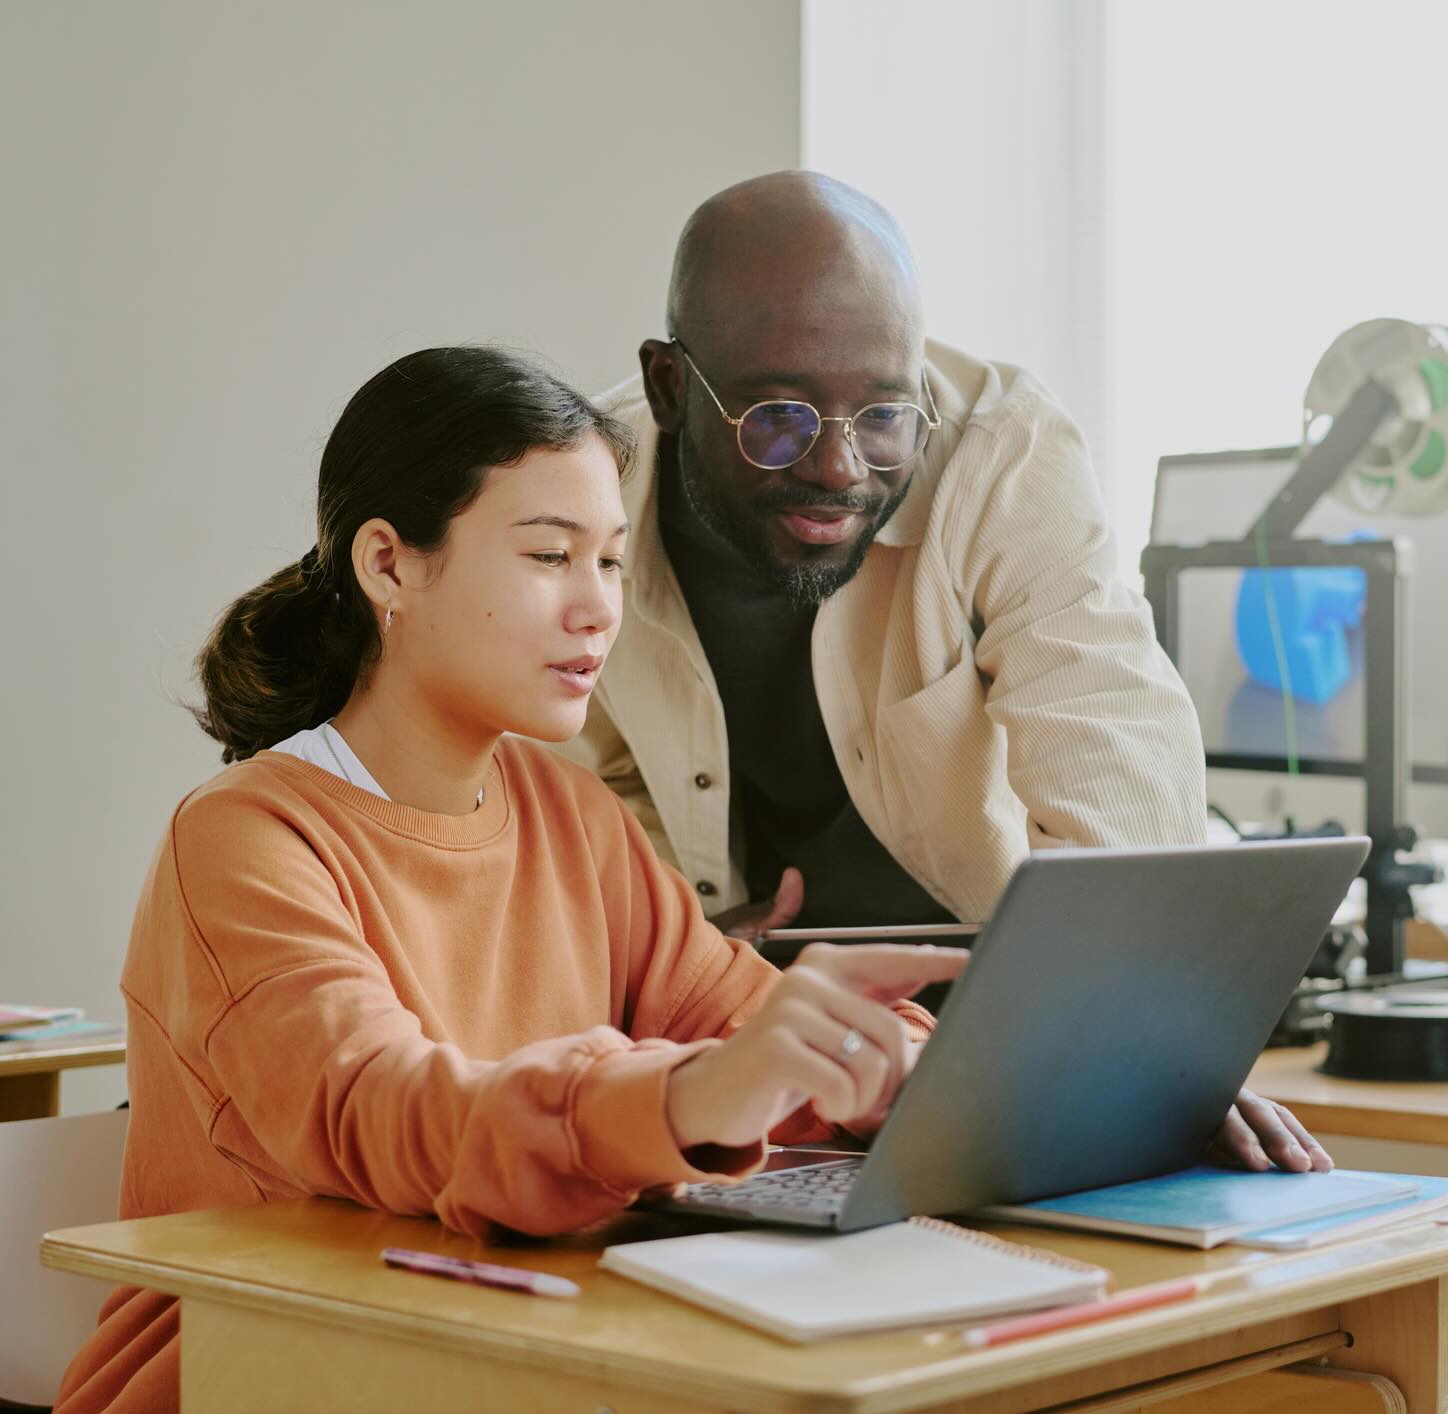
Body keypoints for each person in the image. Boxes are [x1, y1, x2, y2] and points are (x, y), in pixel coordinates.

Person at [55, 347, 962, 1414]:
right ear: (388, 565)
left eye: (612, 562)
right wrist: (687, 1092)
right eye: (548, 556)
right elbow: (390, 1114)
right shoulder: (246, 839)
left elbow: (745, 1018)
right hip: (263, 1367)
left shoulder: (570, 813)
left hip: (523, 1339)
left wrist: (914, 1063)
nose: (596, 610)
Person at [566, 172, 1330, 1172]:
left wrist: (1137, 1042)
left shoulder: (997, 449)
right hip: (736, 1041)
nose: (839, 469)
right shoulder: (589, 488)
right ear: (671, 385)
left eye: (885, 413)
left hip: (1008, 1023)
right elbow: (587, 781)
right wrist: (686, 947)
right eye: (778, 419)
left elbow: (1114, 742)